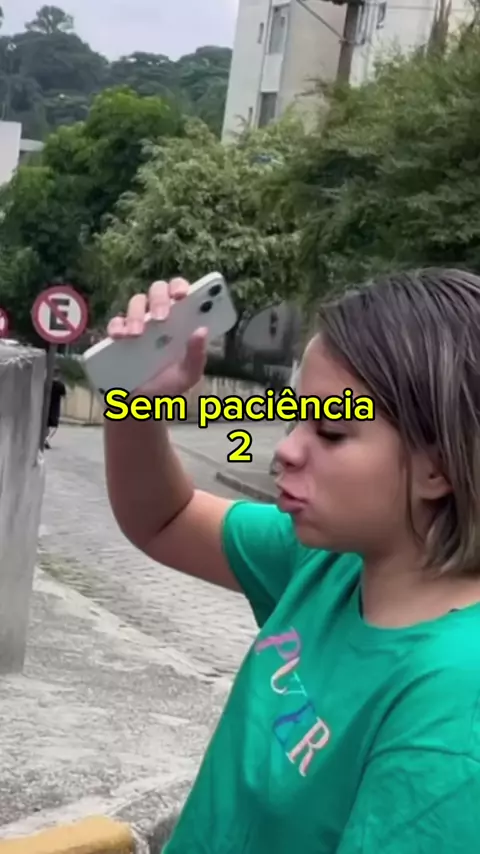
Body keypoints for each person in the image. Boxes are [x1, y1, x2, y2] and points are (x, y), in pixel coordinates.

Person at [104, 269, 480, 854]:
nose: (286, 449)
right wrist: (137, 404)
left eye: (330, 431)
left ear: (439, 468)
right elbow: (165, 519)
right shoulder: (330, 561)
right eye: (293, 415)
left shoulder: (453, 707)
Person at [45, 367, 66, 449]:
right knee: (54, 426)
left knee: (46, 424)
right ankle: (48, 438)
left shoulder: (47, 383)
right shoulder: (61, 385)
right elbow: (64, 396)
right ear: (59, 374)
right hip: (55, 408)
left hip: (46, 406)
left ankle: (45, 438)